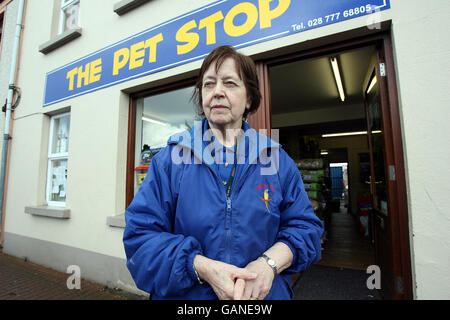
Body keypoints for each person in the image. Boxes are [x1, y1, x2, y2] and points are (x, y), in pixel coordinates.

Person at [123, 45, 323, 300]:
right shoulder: (171, 160)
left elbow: (306, 229)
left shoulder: (276, 160)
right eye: (209, 84)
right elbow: (140, 240)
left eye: (230, 83)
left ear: (249, 98)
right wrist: (201, 267)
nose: (217, 92)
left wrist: (269, 265)